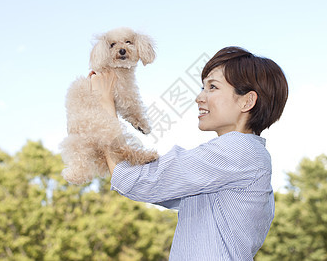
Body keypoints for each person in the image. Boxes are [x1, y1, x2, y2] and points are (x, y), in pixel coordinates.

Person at [91, 46, 289, 260]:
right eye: (203, 87)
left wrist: (105, 104)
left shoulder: (238, 150)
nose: (199, 97)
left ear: (247, 101)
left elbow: (136, 181)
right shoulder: (244, 157)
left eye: (212, 87)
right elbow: (155, 185)